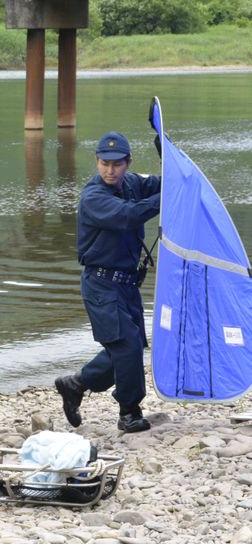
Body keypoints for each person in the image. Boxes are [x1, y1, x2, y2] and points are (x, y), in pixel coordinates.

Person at [55, 132, 161, 433]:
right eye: (104, 163)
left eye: (116, 164)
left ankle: (76, 384)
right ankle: (129, 411)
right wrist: (166, 199)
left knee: (129, 346)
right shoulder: (94, 197)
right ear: (97, 162)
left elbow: (163, 184)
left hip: (126, 284)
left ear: (128, 163)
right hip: (101, 284)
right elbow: (129, 215)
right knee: (126, 346)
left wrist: (173, 163)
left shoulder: (132, 183)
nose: (110, 170)